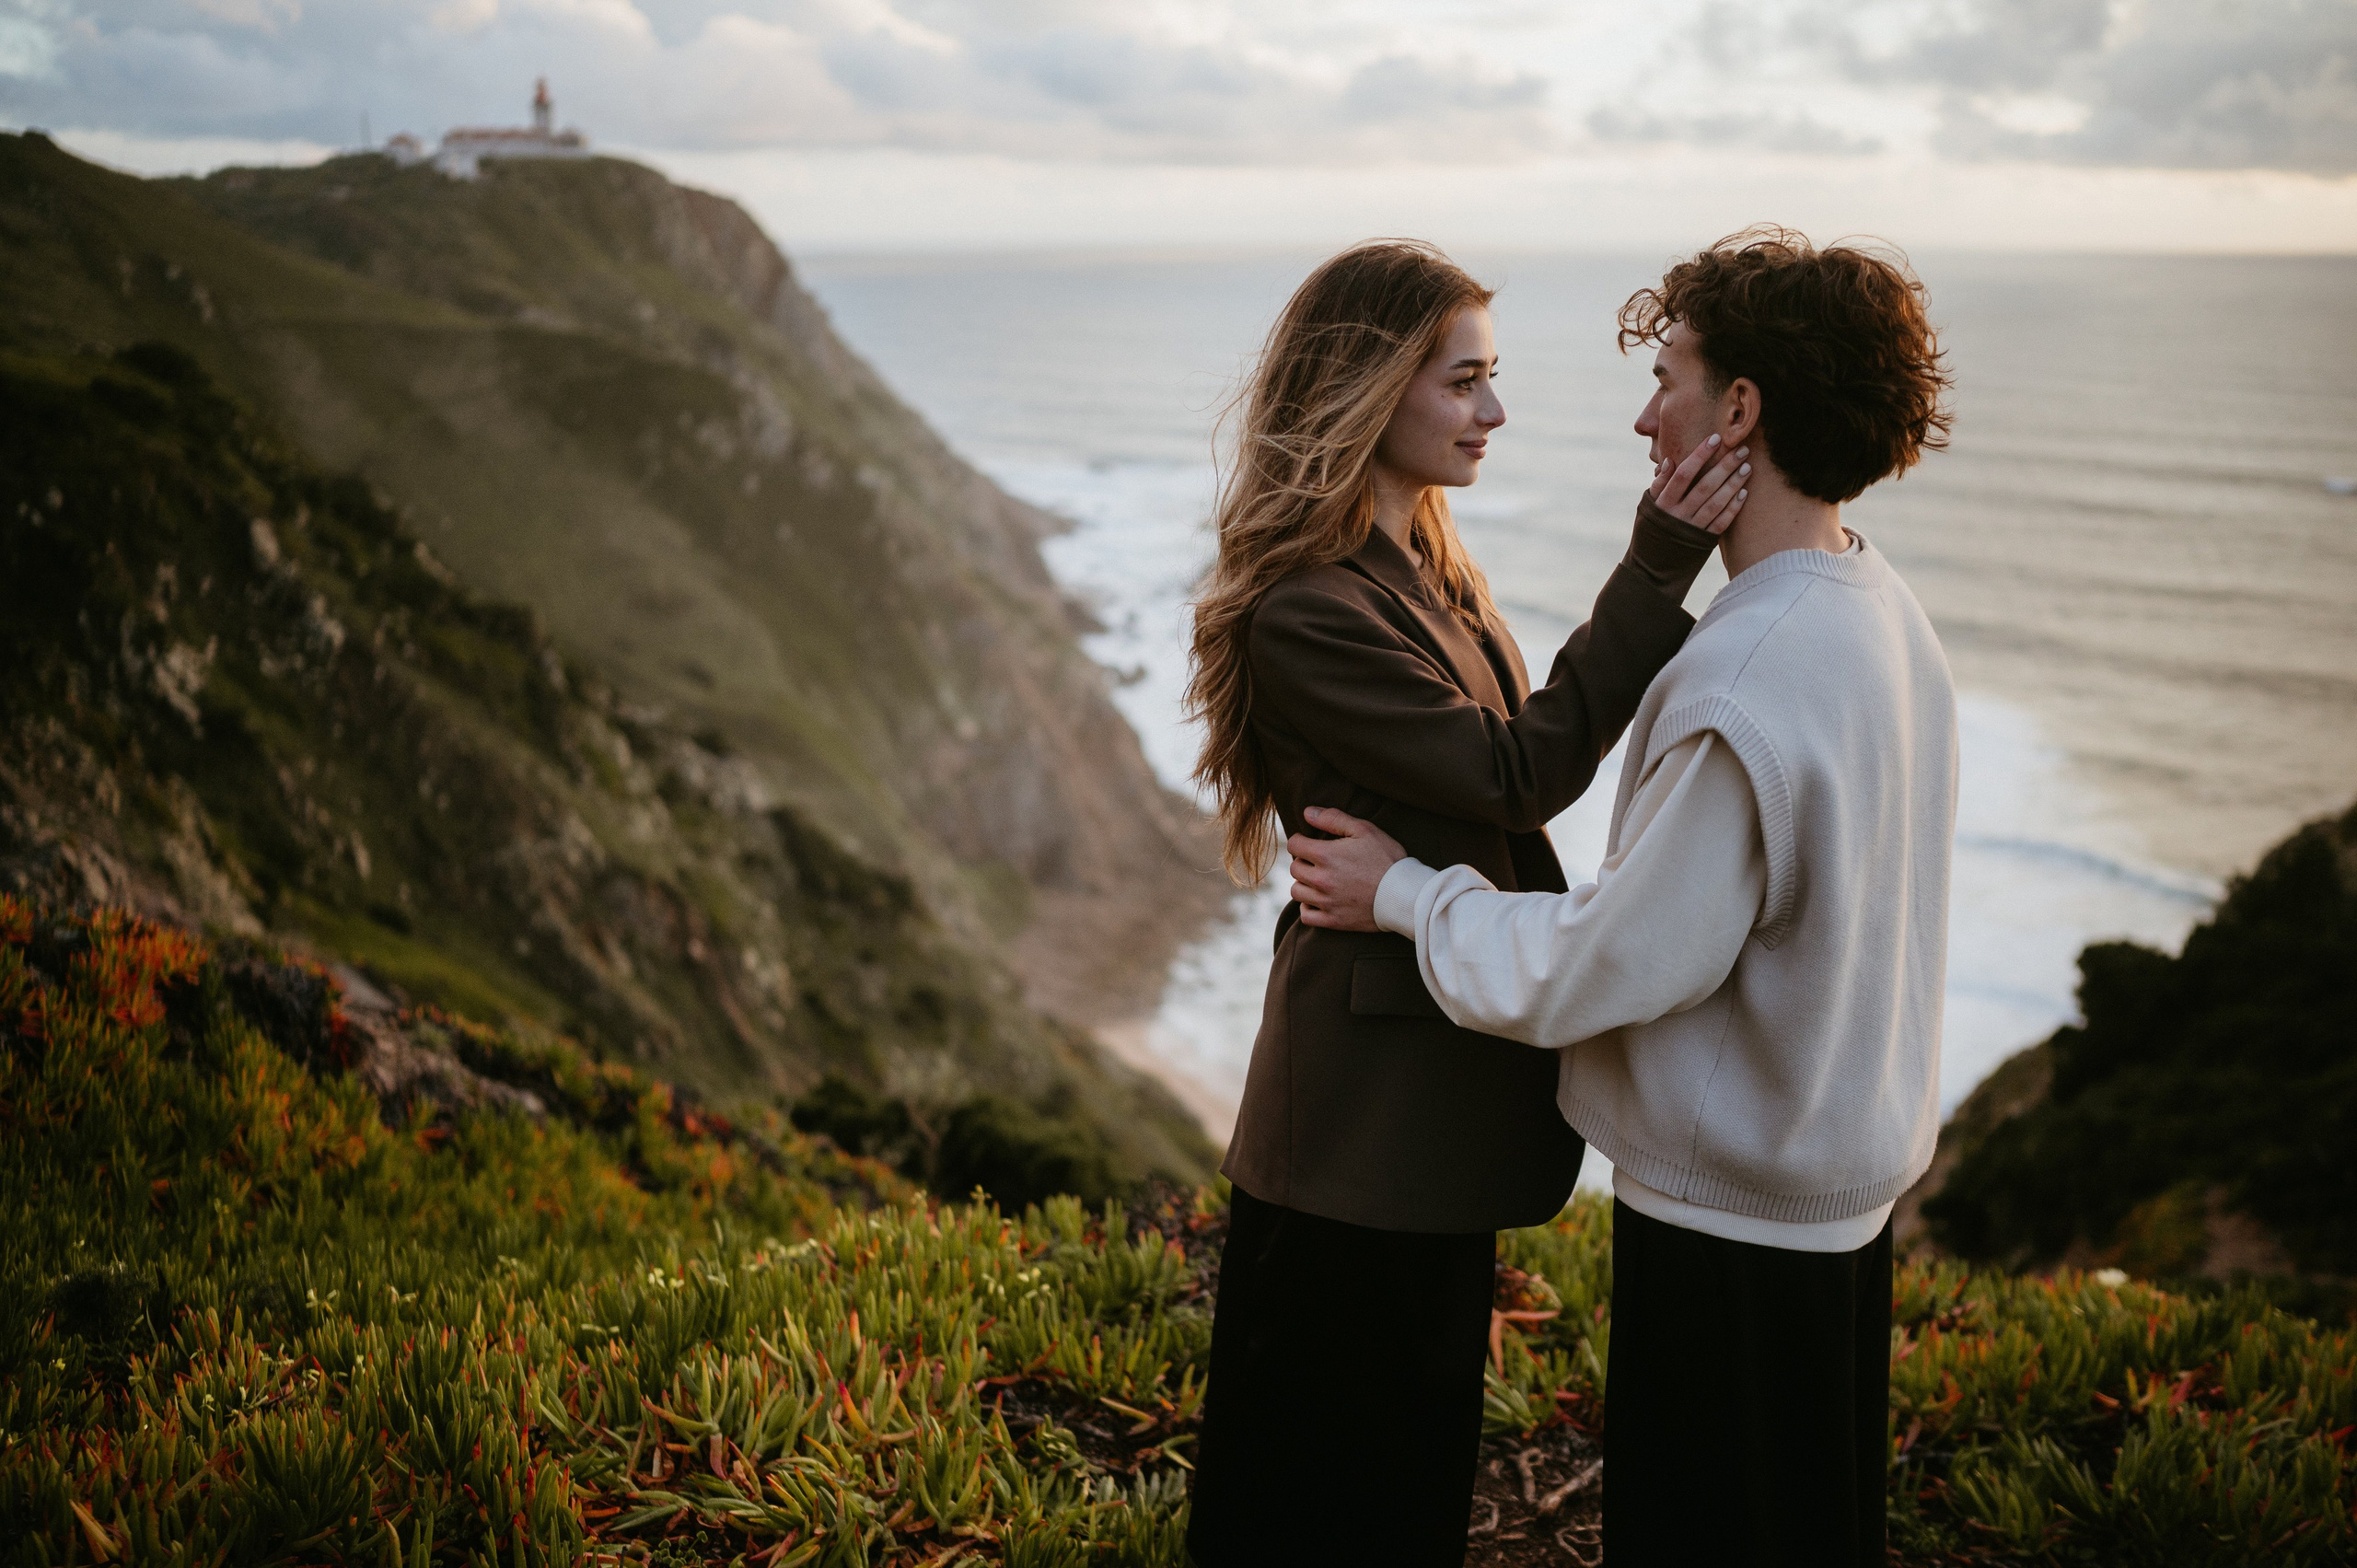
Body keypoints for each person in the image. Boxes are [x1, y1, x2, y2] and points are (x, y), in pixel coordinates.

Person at [1285, 227, 1957, 1567]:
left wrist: (1411, 896)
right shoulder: (1879, 611)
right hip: (1837, 1199)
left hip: (1733, 1233)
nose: (1647, 418)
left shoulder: (1745, 673)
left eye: (1672, 379)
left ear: (1742, 410)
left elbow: (1602, 966)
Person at [1181, 239, 1749, 1566]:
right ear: (1370, 389)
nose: (1494, 414)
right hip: (1356, 1126)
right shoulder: (1306, 611)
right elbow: (1516, 773)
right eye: (1466, 382)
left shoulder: (1428, 570)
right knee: (1314, 1483)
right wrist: (1658, 563)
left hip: (1425, 1095)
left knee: (1406, 1464)